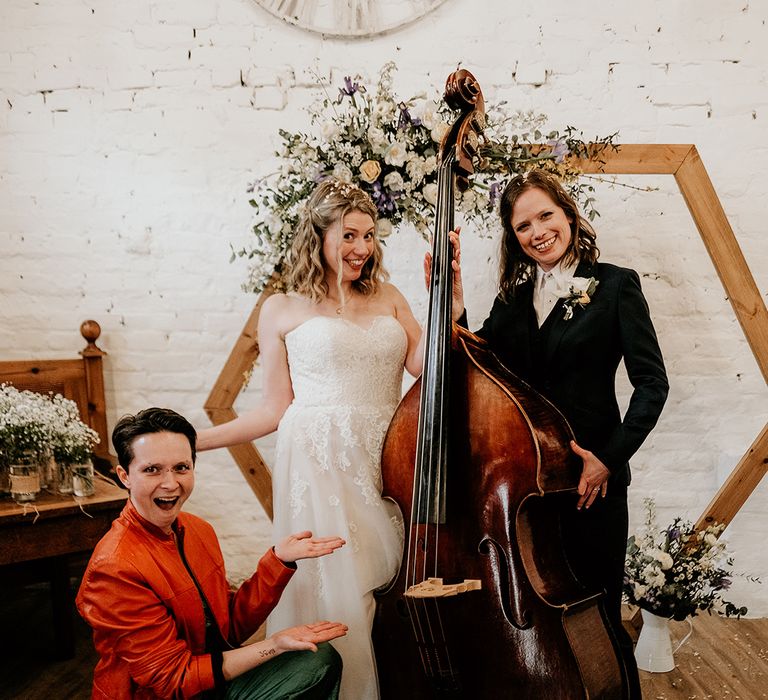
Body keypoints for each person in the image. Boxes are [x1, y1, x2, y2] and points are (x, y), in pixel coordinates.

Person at [196, 178, 461, 700]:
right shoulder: (282, 308)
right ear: (316, 237)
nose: (361, 248)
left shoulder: (389, 295)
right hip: (321, 466)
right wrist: (194, 441)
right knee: (343, 585)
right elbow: (275, 408)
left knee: (388, 579)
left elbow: (422, 365)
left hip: (387, 454)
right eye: (348, 235)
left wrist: (445, 303)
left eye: (368, 236)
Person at [455, 169, 669, 698]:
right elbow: (476, 357)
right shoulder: (514, 296)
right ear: (514, 237)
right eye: (523, 224)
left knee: (597, 615)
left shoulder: (617, 285)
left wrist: (608, 458)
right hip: (529, 486)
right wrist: (453, 301)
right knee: (546, 618)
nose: (537, 231)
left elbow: (652, 384)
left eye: (545, 215)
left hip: (591, 486)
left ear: (568, 215)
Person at [76, 407, 348, 699]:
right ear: (124, 476)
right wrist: (275, 644)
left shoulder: (197, 530)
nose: (170, 483)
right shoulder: (113, 567)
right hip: (164, 692)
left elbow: (228, 628)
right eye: (152, 469)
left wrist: (278, 561)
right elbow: (173, 680)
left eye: (181, 467)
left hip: (208, 677)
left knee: (319, 659)